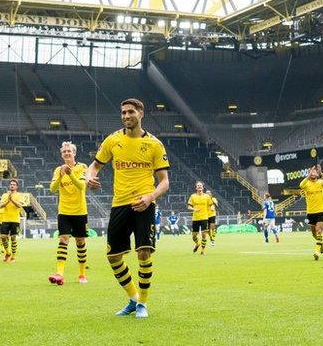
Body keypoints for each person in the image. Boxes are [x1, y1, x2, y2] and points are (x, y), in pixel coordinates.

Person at [87, 98, 169, 319]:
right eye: (123, 112)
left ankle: (143, 302)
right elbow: (94, 166)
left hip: (144, 203)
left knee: (143, 253)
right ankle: (132, 298)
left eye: (130, 112)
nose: (126, 116)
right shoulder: (113, 140)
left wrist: (150, 196)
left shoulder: (154, 144)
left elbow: (164, 181)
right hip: (119, 204)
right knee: (113, 257)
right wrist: (90, 178)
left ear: (141, 113)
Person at [47, 141, 89, 285]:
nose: (66, 153)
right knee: (63, 239)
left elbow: (82, 186)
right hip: (64, 211)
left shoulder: (82, 167)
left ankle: (82, 274)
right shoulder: (58, 170)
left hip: (80, 211)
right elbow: (52, 189)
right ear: (61, 154)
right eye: (64, 151)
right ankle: (59, 273)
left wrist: (70, 174)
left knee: (80, 242)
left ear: (74, 153)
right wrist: (60, 175)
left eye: (69, 151)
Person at [299, 165, 323, 260]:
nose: (313, 173)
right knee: (314, 234)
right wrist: (308, 175)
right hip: (311, 212)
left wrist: (322, 174)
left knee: (319, 231)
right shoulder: (306, 184)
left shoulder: (320, 182)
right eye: (312, 172)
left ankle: (317, 252)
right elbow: (301, 185)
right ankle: (321, 244)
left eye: (315, 172)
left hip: (321, 211)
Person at [0, 179, 26, 263]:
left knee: (13, 238)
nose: (12, 186)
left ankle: (13, 257)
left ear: (17, 186)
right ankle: (7, 253)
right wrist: (8, 200)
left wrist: (12, 200)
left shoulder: (19, 195)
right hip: (5, 219)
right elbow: (1, 206)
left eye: (14, 184)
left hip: (15, 220)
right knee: (3, 237)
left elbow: (19, 205)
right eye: (11, 184)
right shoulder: (4, 195)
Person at [187, 181, 211, 254]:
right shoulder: (192, 196)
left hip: (204, 217)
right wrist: (194, 209)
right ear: (196, 187)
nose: (199, 186)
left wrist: (212, 207)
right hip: (195, 218)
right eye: (198, 185)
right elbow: (189, 207)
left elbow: (211, 204)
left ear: (203, 187)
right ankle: (197, 244)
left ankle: (203, 251)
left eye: (200, 185)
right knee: (194, 236)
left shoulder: (207, 196)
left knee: (204, 234)